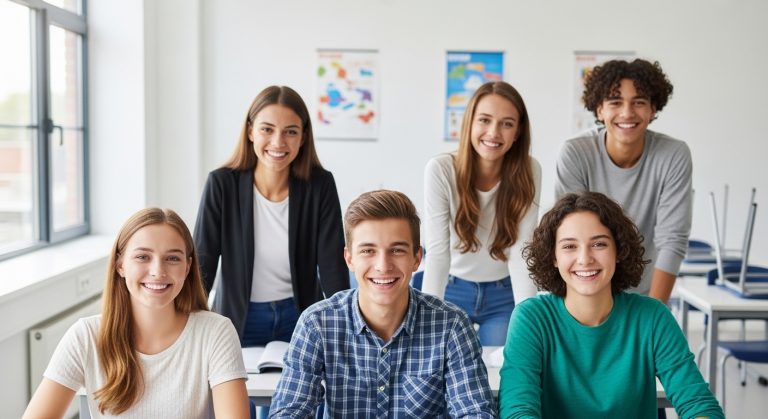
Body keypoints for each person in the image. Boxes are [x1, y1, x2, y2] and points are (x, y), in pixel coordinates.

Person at [269, 190, 496, 418]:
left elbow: (475, 412)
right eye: (368, 251)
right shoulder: (317, 324)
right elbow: (288, 412)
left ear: (417, 258)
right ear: (350, 259)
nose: (383, 265)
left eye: (397, 250)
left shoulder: (451, 325)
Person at [498, 192, 724, 419]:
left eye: (599, 244)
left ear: (618, 251)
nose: (585, 259)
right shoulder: (532, 318)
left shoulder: (652, 317)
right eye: (569, 246)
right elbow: (517, 410)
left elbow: (699, 406)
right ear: (553, 257)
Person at [23, 208, 249, 419]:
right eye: (143, 257)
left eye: (172, 258)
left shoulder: (215, 332)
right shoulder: (85, 336)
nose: (158, 271)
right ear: (120, 265)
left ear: (187, 267)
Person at [194, 85, 349, 346]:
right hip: (238, 317)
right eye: (267, 129)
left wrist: (346, 326)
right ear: (250, 131)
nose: (278, 142)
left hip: (300, 316)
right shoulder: (222, 184)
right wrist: (189, 324)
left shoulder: (319, 185)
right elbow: (202, 263)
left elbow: (333, 265)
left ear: (302, 137)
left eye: (290, 131)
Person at [555, 58, 692, 303]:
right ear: (600, 110)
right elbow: (572, 234)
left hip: (646, 294)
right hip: (587, 290)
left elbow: (672, 240)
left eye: (638, 102)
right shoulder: (576, 153)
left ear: (652, 109)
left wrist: (654, 314)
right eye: (615, 102)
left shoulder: (673, 154)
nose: (627, 112)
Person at [422, 81, 541, 346]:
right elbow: (438, 253)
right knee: (446, 367)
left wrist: (531, 323)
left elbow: (522, 253)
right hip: (452, 288)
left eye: (507, 123)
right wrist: (427, 321)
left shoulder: (530, 171)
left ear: (518, 131)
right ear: (470, 123)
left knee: (503, 367)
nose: (493, 132)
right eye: (485, 120)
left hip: (503, 294)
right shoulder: (441, 169)